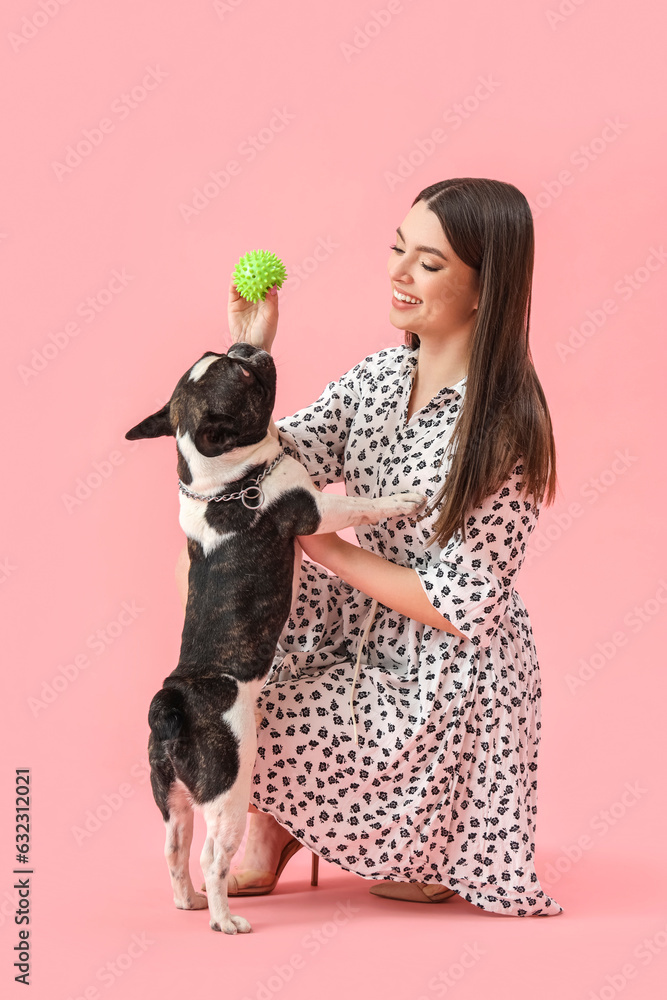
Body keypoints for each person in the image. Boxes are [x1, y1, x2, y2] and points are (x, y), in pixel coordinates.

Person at [176, 177, 564, 916]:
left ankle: (426, 837)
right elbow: (271, 462)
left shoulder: (506, 424)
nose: (397, 273)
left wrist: (323, 544)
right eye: (396, 249)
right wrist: (247, 354)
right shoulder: (382, 376)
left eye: (428, 262)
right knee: (225, 690)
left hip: (447, 670)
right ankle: (274, 821)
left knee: (404, 868)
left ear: (487, 288)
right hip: (356, 625)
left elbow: (459, 604)